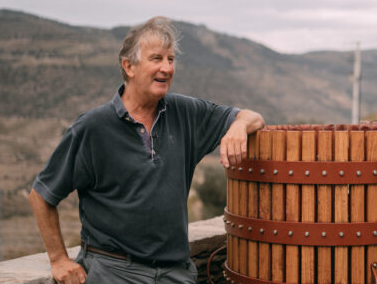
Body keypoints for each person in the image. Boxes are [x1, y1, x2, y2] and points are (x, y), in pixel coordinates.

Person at [29, 17, 265, 284]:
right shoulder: (92, 127)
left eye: (171, 59)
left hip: (175, 272)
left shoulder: (186, 113)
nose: (167, 67)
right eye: (157, 58)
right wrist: (59, 259)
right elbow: (42, 195)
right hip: (113, 271)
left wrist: (238, 126)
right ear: (129, 66)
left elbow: (253, 117)